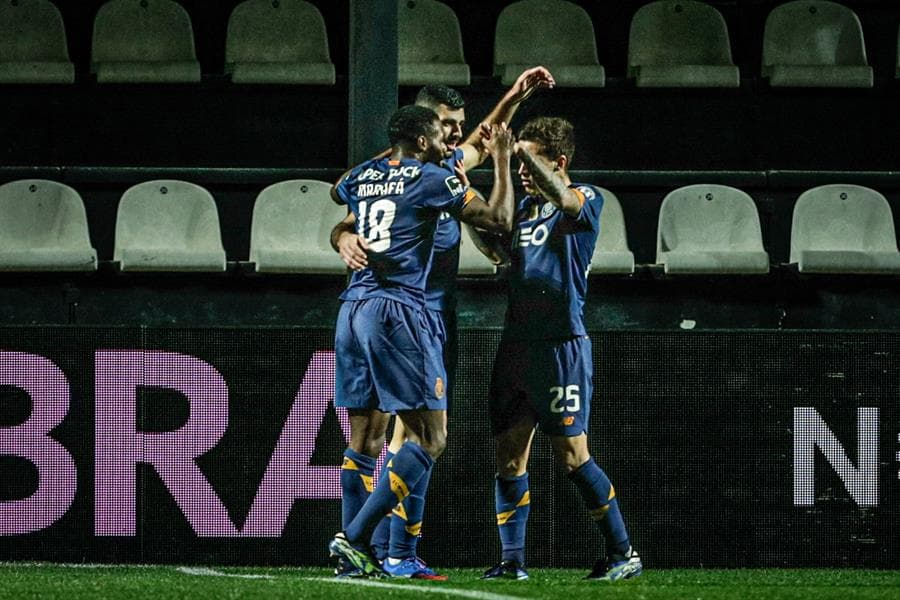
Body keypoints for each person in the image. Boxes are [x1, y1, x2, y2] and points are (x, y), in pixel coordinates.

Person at [331, 71, 553, 579]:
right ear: (423, 130)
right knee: (423, 437)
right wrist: (339, 235)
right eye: (448, 126)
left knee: (377, 437)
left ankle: (373, 558)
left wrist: (515, 98)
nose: (459, 134)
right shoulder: (437, 174)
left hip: (361, 308)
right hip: (408, 314)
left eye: (460, 125)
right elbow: (497, 218)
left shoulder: (375, 170)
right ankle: (370, 544)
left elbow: (351, 198)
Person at [480, 117, 643, 582]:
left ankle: (622, 552)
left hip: (560, 347)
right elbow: (495, 248)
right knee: (509, 457)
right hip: (516, 346)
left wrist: (519, 151)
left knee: (573, 455)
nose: (524, 170)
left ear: (560, 161)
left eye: (532, 159)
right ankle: (512, 563)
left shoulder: (586, 198)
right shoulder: (525, 211)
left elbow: (566, 199)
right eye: (521, 160)